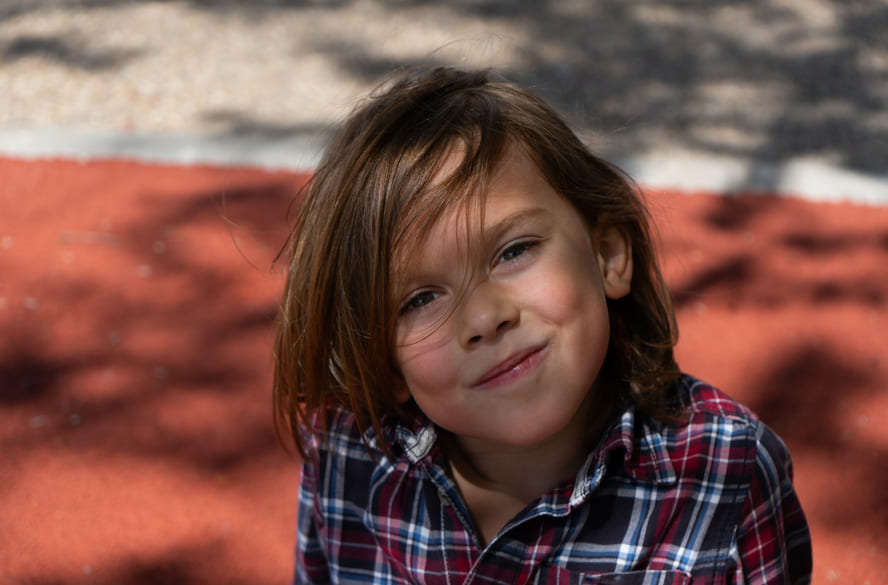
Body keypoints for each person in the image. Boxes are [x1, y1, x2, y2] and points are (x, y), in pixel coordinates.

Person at [273, 67, 812, 584]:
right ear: (384, 363)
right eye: (420, 299)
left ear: (607, 254)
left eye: (514, 251)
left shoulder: (729, 474)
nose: (485, 318)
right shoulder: (347, 455)